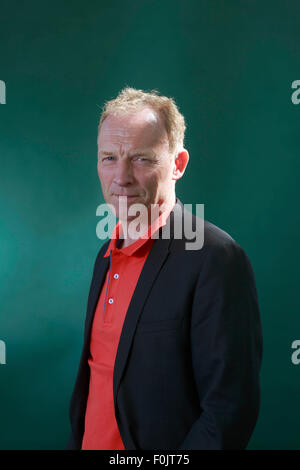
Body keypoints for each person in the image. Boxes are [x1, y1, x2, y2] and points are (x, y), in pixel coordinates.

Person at [67, 87, 263, 450]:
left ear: (178, 164)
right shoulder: (105, 256)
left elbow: (228, 411)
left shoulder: (216, 259)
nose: (120, 176)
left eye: (141, 159)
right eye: (109, 157)